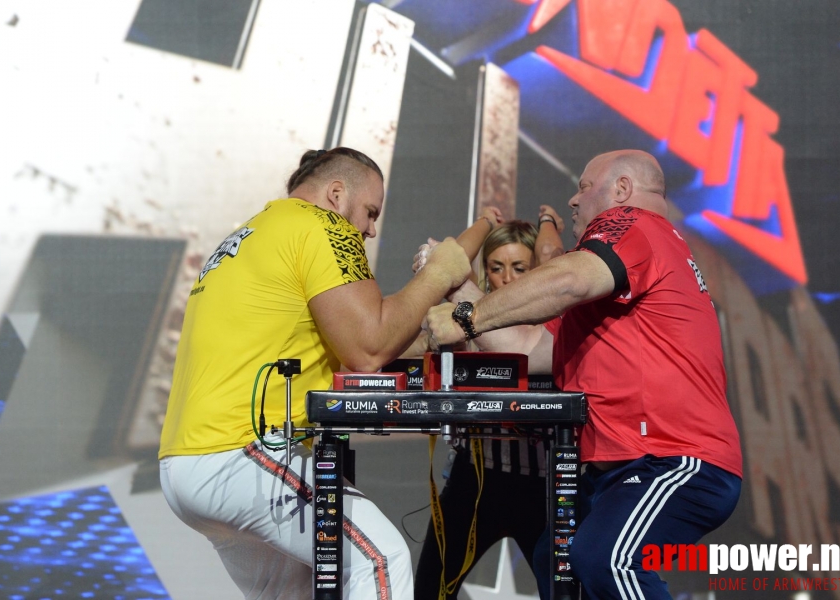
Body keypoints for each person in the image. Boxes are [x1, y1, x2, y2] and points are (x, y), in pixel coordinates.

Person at [423, 149, 742, 599]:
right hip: (626, 465)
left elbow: (567, 279)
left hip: (671, 457)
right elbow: (528, 346)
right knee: (558, 567)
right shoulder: (614, 279)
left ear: (623, 190)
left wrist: (467, 316)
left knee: (607, 559)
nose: (573, 200)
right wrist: (458, 287)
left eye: (584, 187)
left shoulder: (633, 224)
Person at [158, 147, 471, 600]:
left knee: (294, 593)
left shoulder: (257, 231)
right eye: (369, 212)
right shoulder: (321, 225)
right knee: (381, 561)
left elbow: (349, 349)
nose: (370, 228)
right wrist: (439, 273)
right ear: (336, 194)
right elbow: (369, 347)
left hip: (188, 463)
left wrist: (423, 334)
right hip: (240, 454)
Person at [410, 210, 565, 600]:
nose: (508, 279)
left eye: (519, 267)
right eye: (496, 268)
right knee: (430, 591)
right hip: (474, 479)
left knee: (566, 592)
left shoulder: (555, 324)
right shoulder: (467, 317)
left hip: (542, 485)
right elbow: (422, 345)